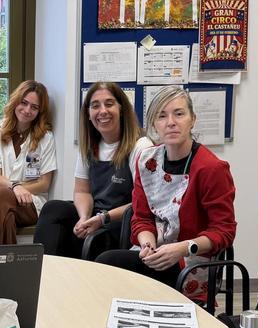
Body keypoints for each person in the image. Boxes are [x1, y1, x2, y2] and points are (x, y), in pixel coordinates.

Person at [95, 86, 236, 292]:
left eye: (179, 114)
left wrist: (183, 248)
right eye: (162, 116)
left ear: (192, 119)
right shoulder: (146, 161)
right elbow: (141, 217)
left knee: (109, 264)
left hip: (190, 261)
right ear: (154, 124)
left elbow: (224, 231)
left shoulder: (211, 168)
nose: (171, 122)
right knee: (106, 265)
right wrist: (147, 245)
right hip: (154, 255)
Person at [33, 83, 152, 261]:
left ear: (121, 109)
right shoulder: (90, 146)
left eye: (109, 104)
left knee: (97, 241)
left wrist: (103, 218)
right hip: (96, 216)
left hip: (123, 221)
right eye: (95, 106)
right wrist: (83, 218)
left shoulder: (141, 146)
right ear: (88, 114)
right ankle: (44, 272)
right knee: (54, 209)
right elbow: (82, 191)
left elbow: (143, 204)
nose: (102, 111)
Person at [0, 81, 56, 246]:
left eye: (34, 107)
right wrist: (15, 187)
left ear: (40, 112)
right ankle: (7, 270)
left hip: (29, 203)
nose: (27, 110)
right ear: (16, 101)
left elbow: (44, 184)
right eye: (24, 103)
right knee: (6, 218)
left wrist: (16, 190)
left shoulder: (46, 138)